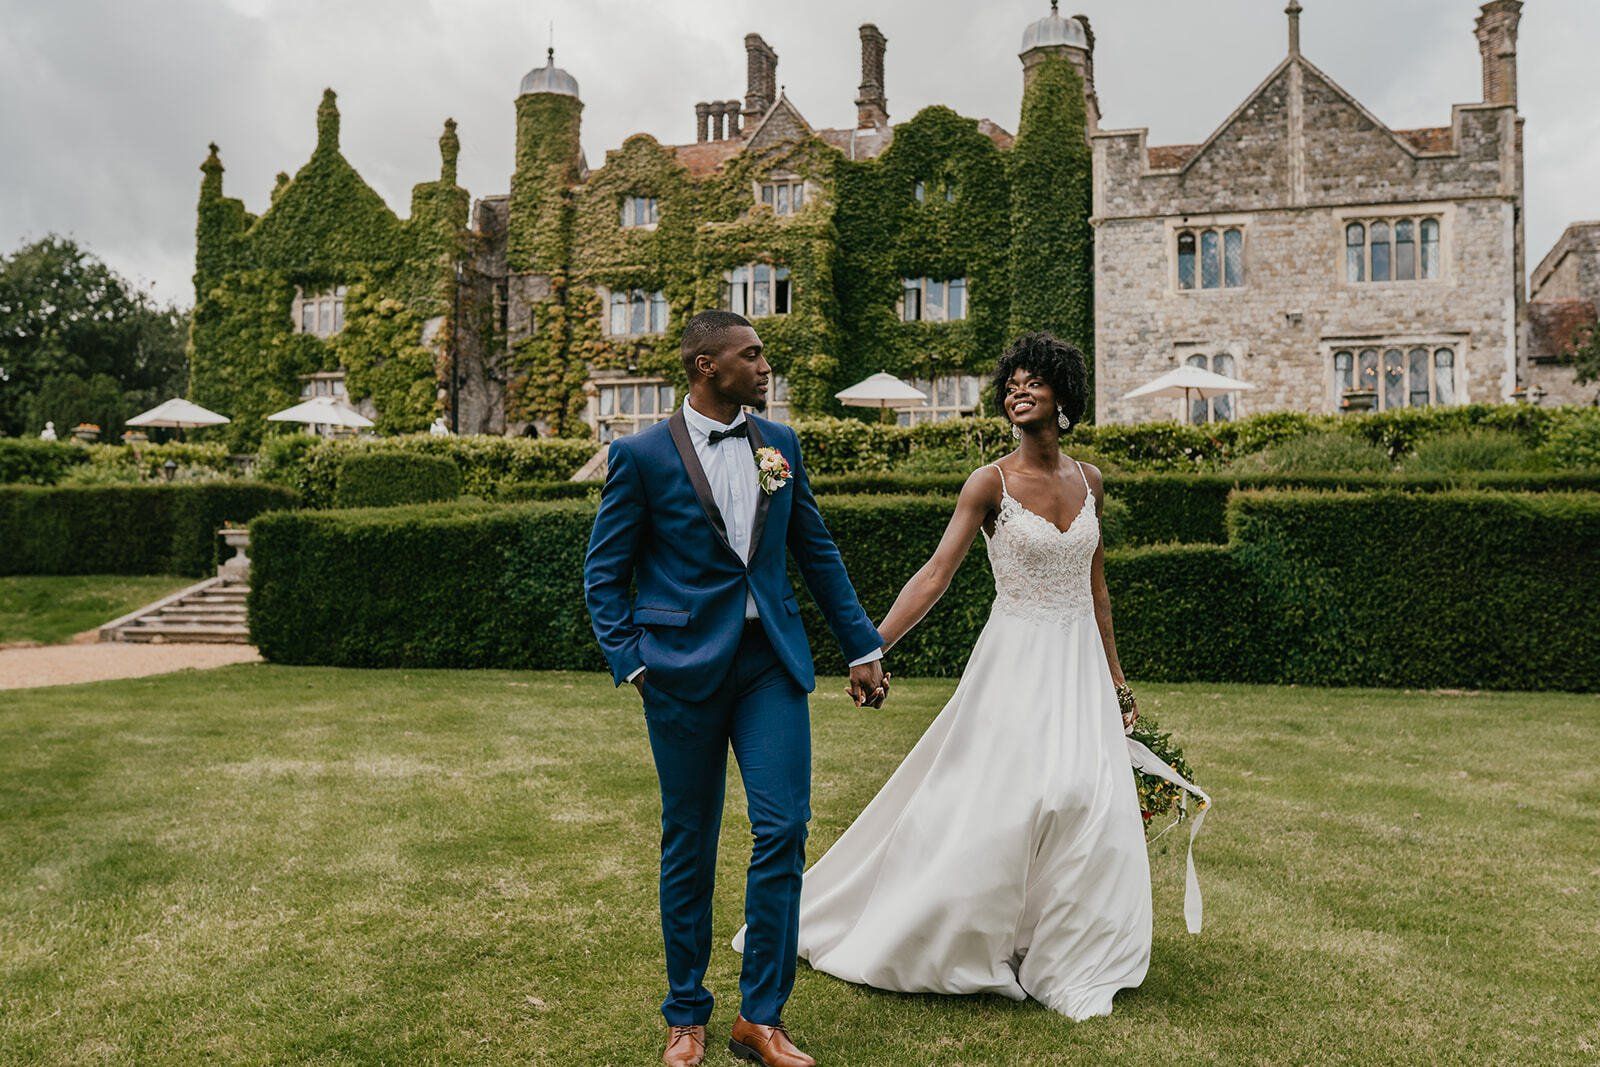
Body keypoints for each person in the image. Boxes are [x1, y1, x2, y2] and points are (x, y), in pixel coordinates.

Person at [763, 331, 1204, 1021]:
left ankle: (1062, 946)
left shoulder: (1091, 480)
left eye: (1034, 381)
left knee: (1088, 798)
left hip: (1079, 666)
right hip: (1015, 660)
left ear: (1063, 393)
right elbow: (935, 575)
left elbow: (1098, 592)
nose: (1019, 392)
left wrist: (1117, 681)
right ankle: (953, 931)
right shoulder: (988, 483)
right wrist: (868, 647)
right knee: (1014, 799)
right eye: (1011, 384)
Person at [584, 310, 890, 1067]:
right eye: (751, 355)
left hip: (768, 665)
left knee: (783, 828)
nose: (764, 366)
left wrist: (861, 644)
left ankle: (761, 1018)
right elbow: (604, 572)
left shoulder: (779, 444)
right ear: (706, 366)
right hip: (678, 668)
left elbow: (814, 547)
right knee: (689, 838)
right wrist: (633, 661)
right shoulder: (640, 455)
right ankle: (685, 1014)